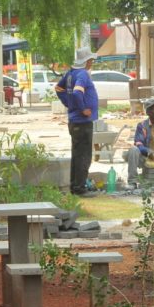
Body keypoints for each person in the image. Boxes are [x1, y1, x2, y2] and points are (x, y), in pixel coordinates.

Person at [56, 46, 99, 197]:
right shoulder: (82, 74)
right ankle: (80, 188)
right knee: (84, 155)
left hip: (74, 120)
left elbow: (58, 88)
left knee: (76, 154)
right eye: (91, 60)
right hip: (82, 121)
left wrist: (68, 103)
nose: (92, 62)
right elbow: (77, 92)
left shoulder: (70, 73)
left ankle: (75, 186)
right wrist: (82, 109)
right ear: (86, 61)